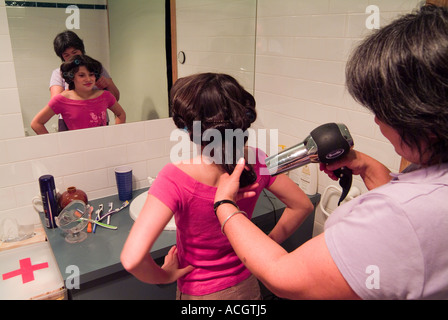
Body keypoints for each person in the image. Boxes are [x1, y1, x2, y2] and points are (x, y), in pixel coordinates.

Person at [213, 5, 448, 300]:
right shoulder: (432, 176)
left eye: (382, 109)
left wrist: (224, 205)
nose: (376, 119)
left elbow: (284, 277)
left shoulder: (403, 215)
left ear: (425, 118)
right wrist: (365, 166)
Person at [120, 73, 314, 300]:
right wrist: (261, 247)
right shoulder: (257, 162)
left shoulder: (175, 177)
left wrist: (166, 275)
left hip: (200, 294)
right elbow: (302, 206)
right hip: (247, 285)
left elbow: (132, 259)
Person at [31, 55, 126, 134]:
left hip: (102, 147)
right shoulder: (62, 99)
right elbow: (36, 123)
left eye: (91, 74)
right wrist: (54, 144)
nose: (88, 79)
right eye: (81, 75)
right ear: (72, 77)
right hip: (76, 150)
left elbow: (121, 114)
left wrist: (116, 135)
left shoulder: (105, 96)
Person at [50, 30, 120, 131]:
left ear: (82, 50)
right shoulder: (59, 73)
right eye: (67, 55)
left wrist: (107, 85)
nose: (72, 57)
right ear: (62, 57)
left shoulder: (97, 68)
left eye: (75, 52)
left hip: (98, 118)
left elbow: (115, 99)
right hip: (70, 121)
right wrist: (71, 89)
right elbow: (55, 103)